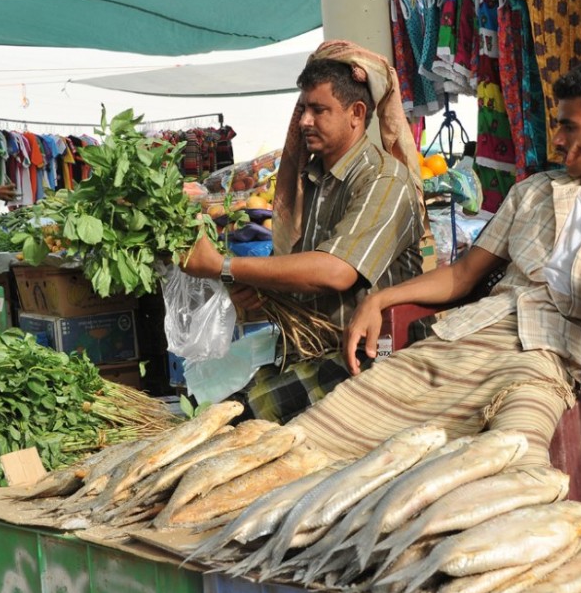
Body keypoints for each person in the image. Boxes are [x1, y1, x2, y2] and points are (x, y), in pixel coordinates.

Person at [287, 56, 581, 468]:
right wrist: (379, 300)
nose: (555, 139)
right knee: (323, 432)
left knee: (507, 464)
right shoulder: (535, 191)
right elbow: (464, 275)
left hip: (548, 360)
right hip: (468, 338)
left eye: (569, 127)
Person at [182, 41, 425, 423]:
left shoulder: (384, 180)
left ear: (357, 114)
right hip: (313, 350)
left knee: (236, 421)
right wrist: (264, 293)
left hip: (370, 358)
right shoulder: (312, 180)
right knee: (207, 409)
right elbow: (306, 275)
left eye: (319, 110)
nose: (304, 121)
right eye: (303, 109)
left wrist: (224, 266)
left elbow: (335, 271)